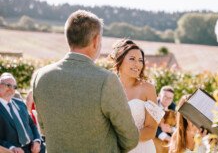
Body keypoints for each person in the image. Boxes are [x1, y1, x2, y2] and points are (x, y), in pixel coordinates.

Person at [32, 10, 139, 153]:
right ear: (96, 40)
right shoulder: (106, 80)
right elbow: (130, 138)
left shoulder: (41, 76)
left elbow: (43, 129)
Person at [109, 39, 165, 153]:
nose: (137, 64)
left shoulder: (148, 89)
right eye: (132, 59)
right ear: (120, 61)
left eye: (140, 60)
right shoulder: (109, 88)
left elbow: (151, 130)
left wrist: (124, 138)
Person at [0, 73, 45, 153]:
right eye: (8, 85)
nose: (11, 89)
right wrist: (11, 147)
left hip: (35, 147)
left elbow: (31, 124)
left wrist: (37, 140)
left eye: (14, 87)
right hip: (14, 150)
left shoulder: (20, 103)